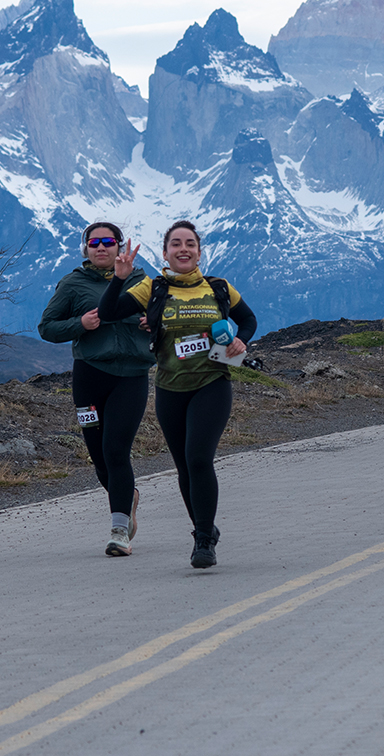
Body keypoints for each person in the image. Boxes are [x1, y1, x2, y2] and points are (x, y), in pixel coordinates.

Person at [98, 220, 256, 569]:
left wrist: (241, 340)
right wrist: (119, 278)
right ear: (166, 253)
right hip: (170, 387)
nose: (183, 249)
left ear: (199, 252)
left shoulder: (219, 287)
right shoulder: (153, 289)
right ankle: (204, 525)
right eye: (176, 244)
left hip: (212, 383)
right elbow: (108, 314)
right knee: (184, 465)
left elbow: (248, 320)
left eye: (190, 244)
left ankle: (203, 539)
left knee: (199, 458)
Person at [38, 222, 155, 556]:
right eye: (94, 242)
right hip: (89, 378)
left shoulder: (143, 283)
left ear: (119, 246)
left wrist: (155, 323)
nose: (101, 247)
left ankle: (119, 531)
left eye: (108, 241)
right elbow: (47, 327)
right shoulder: (73, 284)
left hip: (131, 376)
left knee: (116, 450)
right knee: (99, 456)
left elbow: (169, 321)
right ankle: (127, 498)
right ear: (85, 249)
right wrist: (80, 324)